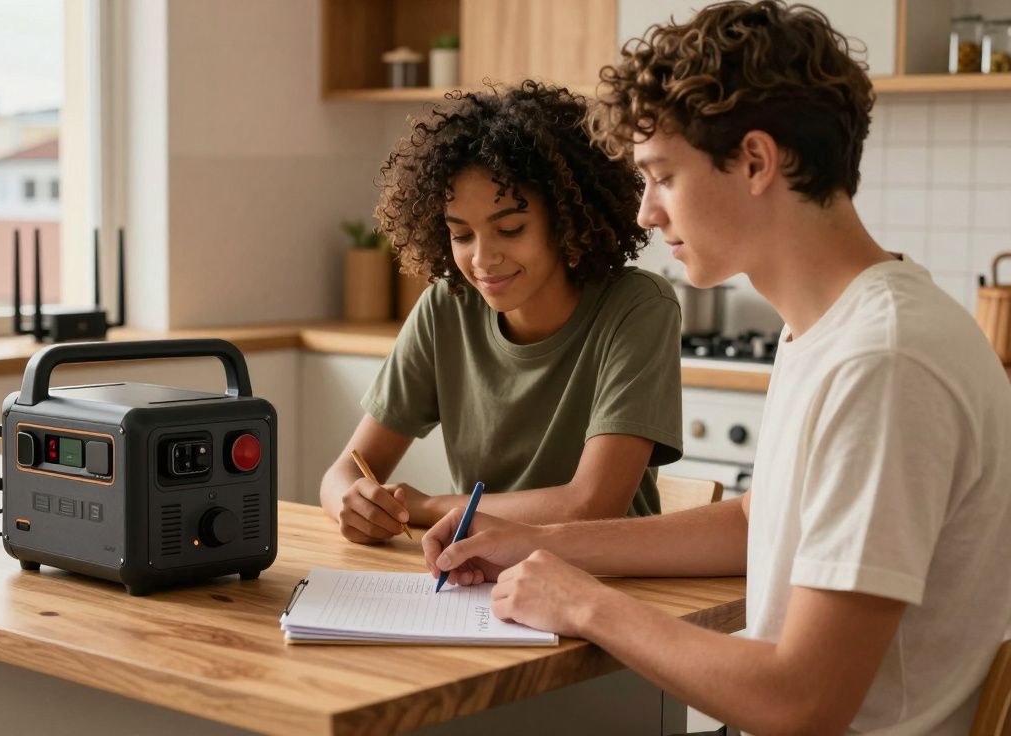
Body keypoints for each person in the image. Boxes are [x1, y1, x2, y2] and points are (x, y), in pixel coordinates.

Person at [423, 3, 1011, 734]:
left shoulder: (883, 363)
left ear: (757, 162)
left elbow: (804, 701)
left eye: (662, 176)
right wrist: (539, 542)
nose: (645, 213)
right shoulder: (828, 330)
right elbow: (753, 521)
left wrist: (585, 603)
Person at [319, 81, 685, 545]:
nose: (481, 259)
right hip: (475, 579)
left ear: (567, 217)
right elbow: (343, 473)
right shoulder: (445, 307)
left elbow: (592, 505)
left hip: (601, 579)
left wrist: (430, 507)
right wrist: (351, 502)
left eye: (509, 229)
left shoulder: (638, 307)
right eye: (461, 235)